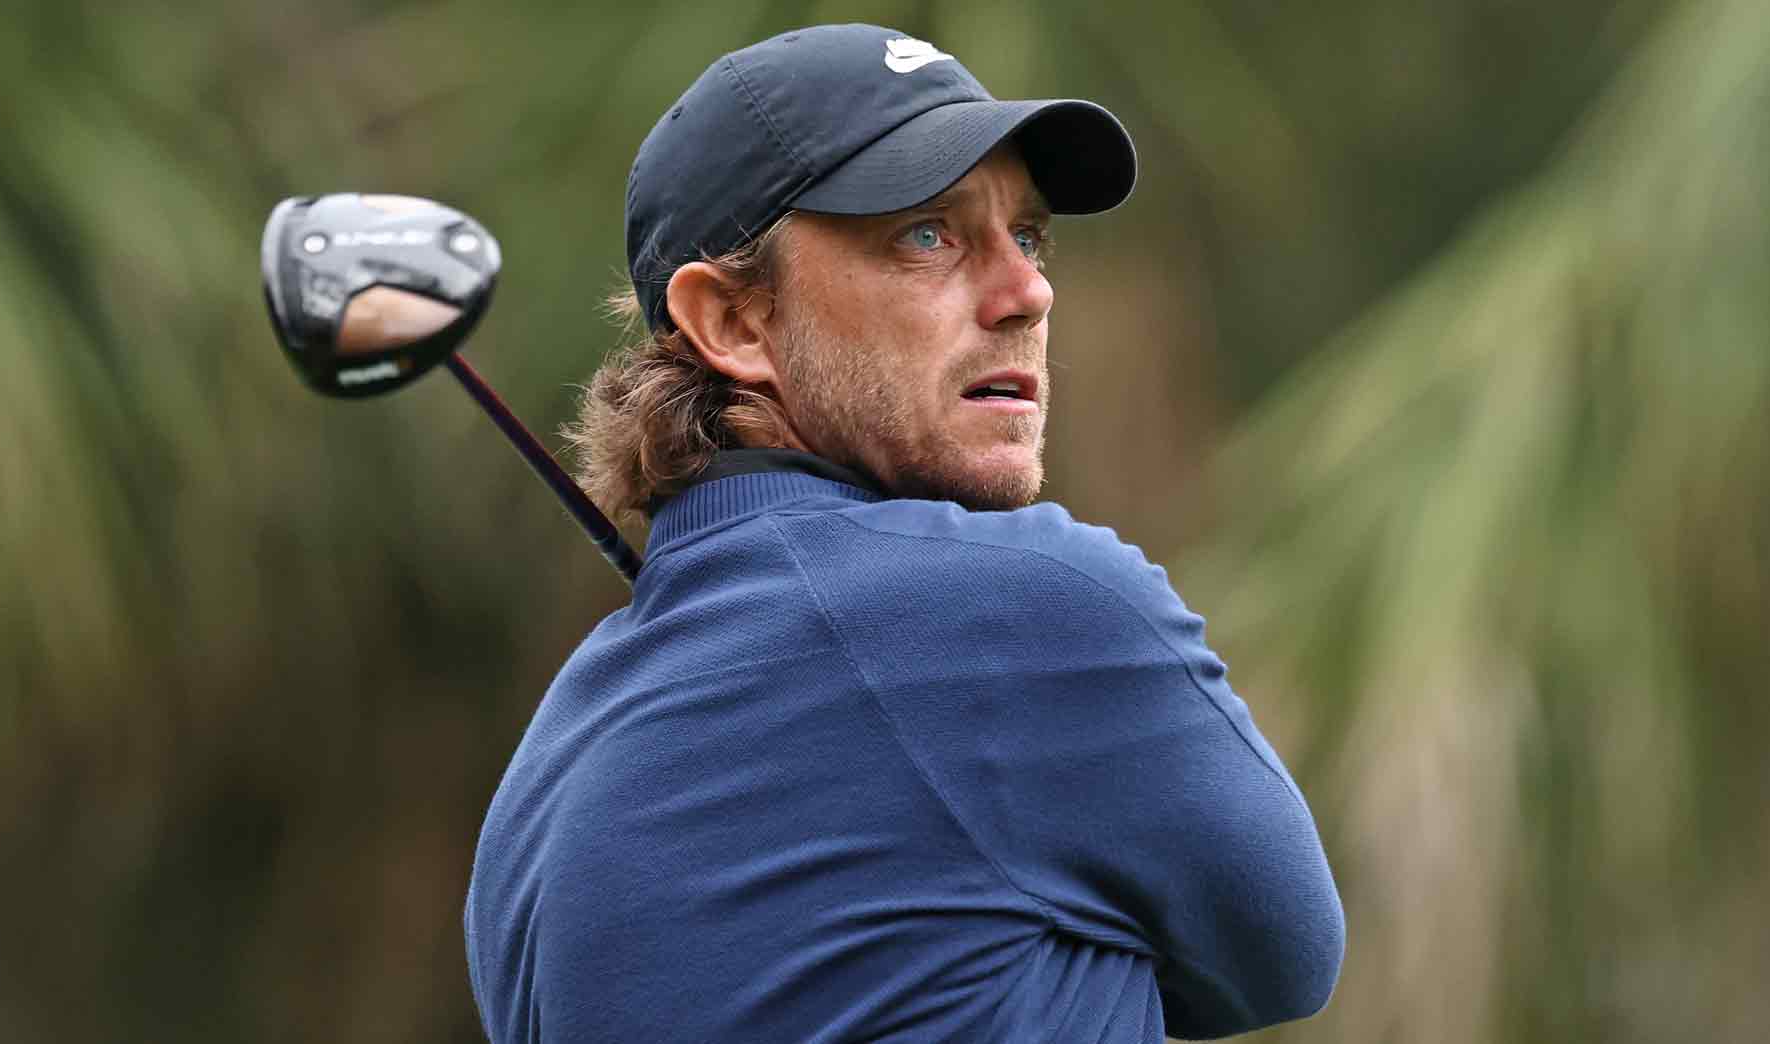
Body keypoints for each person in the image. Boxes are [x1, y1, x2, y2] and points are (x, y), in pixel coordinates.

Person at [465, 23, 1344, 1043]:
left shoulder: (544, 772)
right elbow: (1280, 961)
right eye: (927, 234)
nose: (1027, 293)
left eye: (1029, 234)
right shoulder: (1029, 608)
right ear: (734, 323)